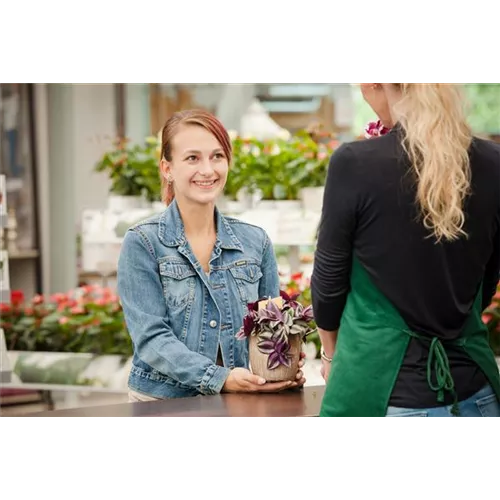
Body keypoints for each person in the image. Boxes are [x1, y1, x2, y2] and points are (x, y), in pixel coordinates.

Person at [311, 81, 500, 418]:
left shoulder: (355, 164)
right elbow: (488, 279)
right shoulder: (493, 162)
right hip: (478, 394)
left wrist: (330, 356)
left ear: (375, 85)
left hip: (388, 398)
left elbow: (328, 286)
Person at [117, 109, 305, 402]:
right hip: (163, 404)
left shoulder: (255, 241)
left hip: (241, 402)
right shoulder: (144, 242)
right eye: (192, 158)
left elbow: (271, 327)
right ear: (167, 169)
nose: (207, 170)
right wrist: (221, 378)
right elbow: (151, 340)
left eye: (217, 156)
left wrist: (283, 365)